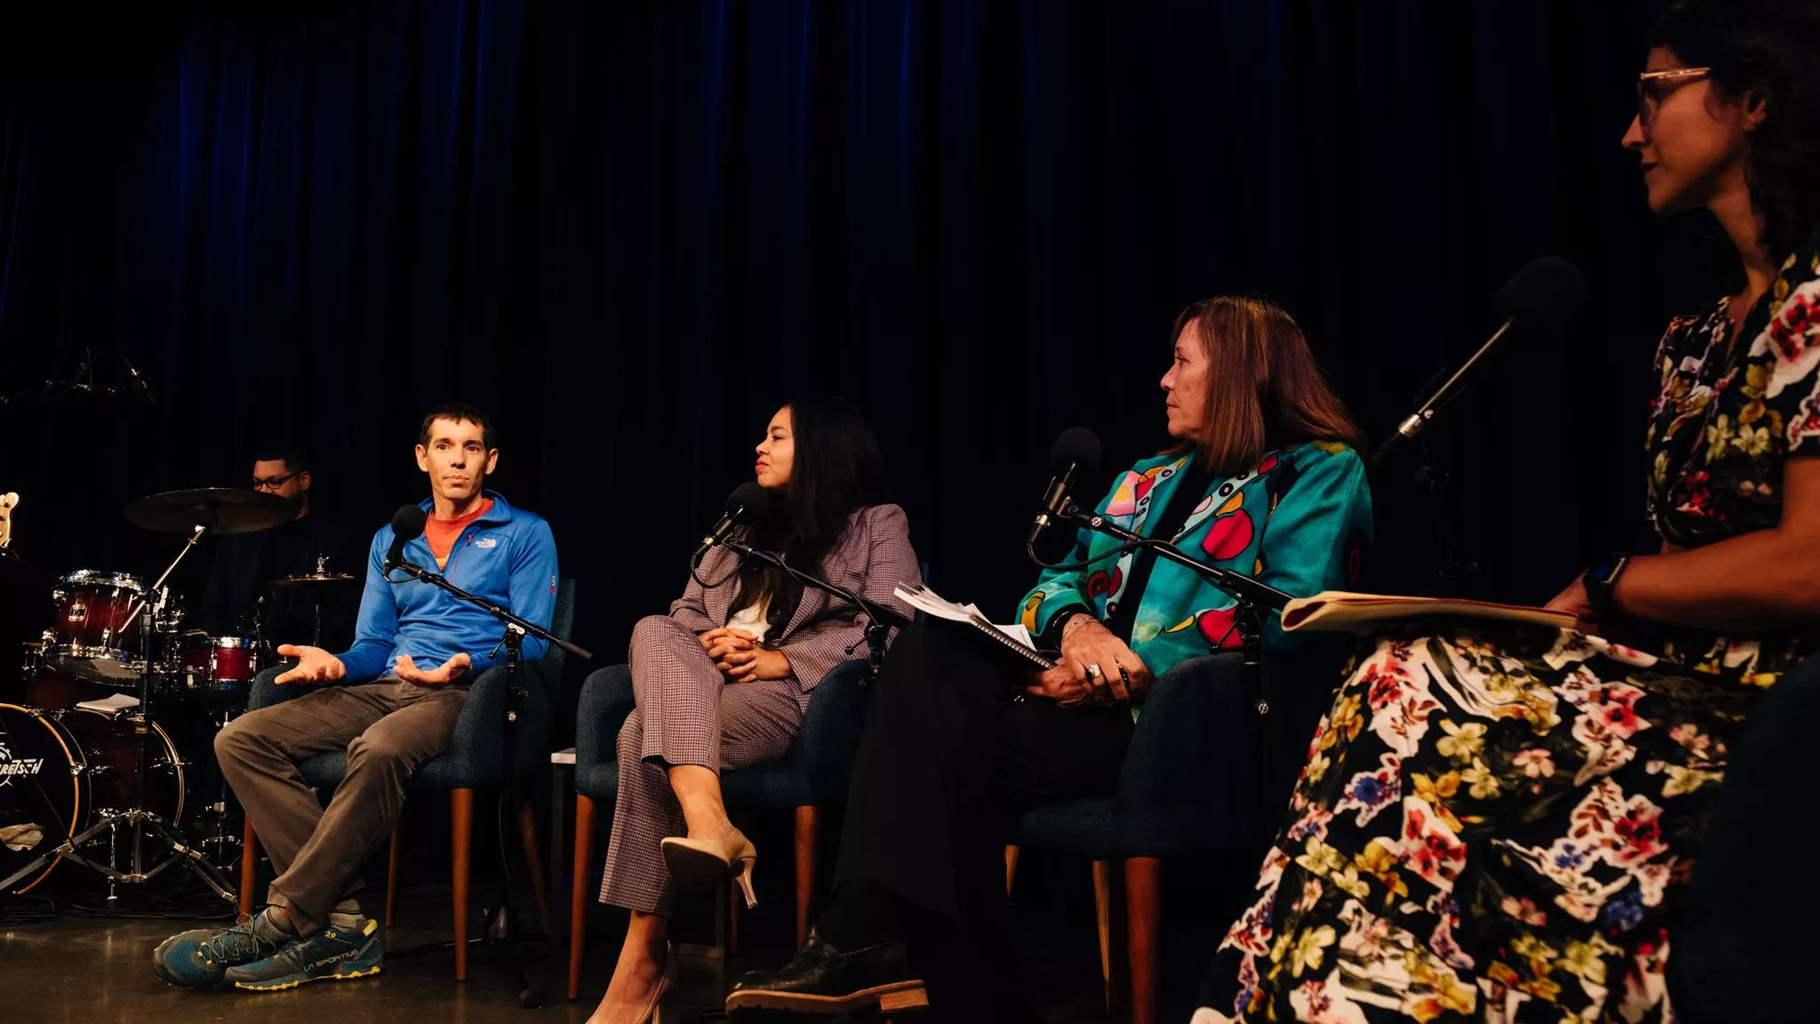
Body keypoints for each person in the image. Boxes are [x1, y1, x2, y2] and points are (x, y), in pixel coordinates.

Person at [1194, 2, 1820, 1020]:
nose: (1629, 132)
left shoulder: (1817, 303)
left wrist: (1616, 583)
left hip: (1765, 710)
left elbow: (1807, 565)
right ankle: (1294, 998)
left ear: (1751, 99)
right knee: (1388, 674)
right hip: (1665, 675)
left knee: (1412, 690)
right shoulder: (1691, 340)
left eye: (1651, 96)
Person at [728, 297, 1373, 1021]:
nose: (1164, 380)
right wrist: (1076, 637)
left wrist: (1117, 670)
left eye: (1182, 362)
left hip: (1177, 727)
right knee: (929, 655)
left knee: (932, 762)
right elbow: (1053, 582)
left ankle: (876, 939)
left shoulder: (1318, 471)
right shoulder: (1147, 476)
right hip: (1070, 704)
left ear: (1239, 375)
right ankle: (904, 953)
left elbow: (1288, 612)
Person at [151, 403, 559, 992]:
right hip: (385, 684)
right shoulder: (394, 537)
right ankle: (341, 923)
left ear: (490, 460)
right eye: (444, 446)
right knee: (241, 738)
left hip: (466, 694)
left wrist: (467, 663)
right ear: (423, 458)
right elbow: (373, 642)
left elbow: (532, 640)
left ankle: (285, 918)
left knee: (378, 747)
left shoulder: (525, 532)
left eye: (471, 448)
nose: (457, 459)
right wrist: (339, 662)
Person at [588, 396, 922, 1024]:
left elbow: (893, 621)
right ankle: (709, 823)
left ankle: (643, 960)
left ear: (821, 449)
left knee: (638, 733)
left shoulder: (877, 522)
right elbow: (688, 609)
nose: (759, 448)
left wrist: (782, 659)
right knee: (655, 627)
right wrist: (710, 647)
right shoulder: (740, 525)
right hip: (700, 683)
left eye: (776, 436)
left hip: (788, 699)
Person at [199, 446, 357, 651]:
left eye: (274, 482)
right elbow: (215, 608)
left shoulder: (335, 538)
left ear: (304, 480)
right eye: (257, 484)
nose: (264, 491)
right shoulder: (239, 539)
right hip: (245, 658)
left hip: (310, 656)